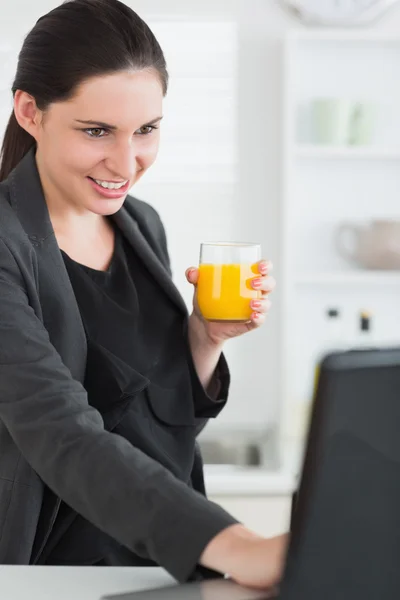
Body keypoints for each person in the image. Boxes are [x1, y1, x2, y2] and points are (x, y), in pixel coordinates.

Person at [0, 0, 287, 590]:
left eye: (147, 130)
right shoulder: (8, 242)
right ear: (30, 111)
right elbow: (59, 430)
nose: (126, 163)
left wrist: (204, 339)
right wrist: (237, 543)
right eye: (97, 131)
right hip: (60, 578)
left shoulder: (141, 224)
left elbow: (160, 426)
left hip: (167, 568)